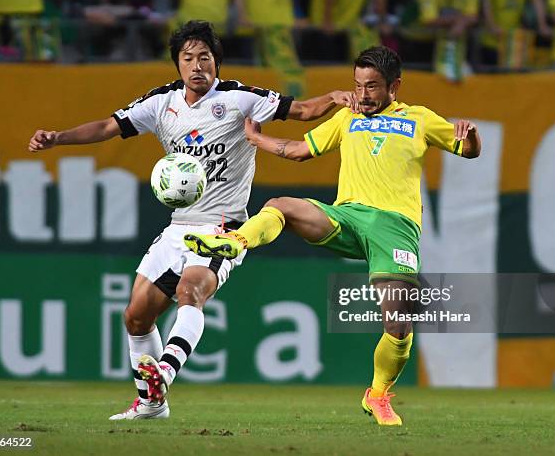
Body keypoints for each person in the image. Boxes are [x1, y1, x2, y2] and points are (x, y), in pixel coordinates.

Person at [28, 19, 357, 420]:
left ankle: (163, 373)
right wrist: (58, 137)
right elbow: (106, 127)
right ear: (178, 65)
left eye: (205, 58)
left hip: (224, 228)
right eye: (189, 59)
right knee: (135, 316)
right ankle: (151, 404)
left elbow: (302, 110)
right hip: (178, 227)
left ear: (216, 63)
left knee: (191, 291)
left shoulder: (240, 98)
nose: (197, 65)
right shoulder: (160, 103)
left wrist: (335, 97)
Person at [184, 46, 481, 426]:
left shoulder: (420, 119)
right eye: (358, 85)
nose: (363, 94)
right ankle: (234, 242)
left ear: (395, 86)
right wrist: (258, 140)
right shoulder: (347, 118)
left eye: (372, 86)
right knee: (281, 203)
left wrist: (470, 136)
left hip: (396, 228)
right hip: (347, 217)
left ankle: (376, 395)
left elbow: (468, 151)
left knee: (398, 323)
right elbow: (297, 151)